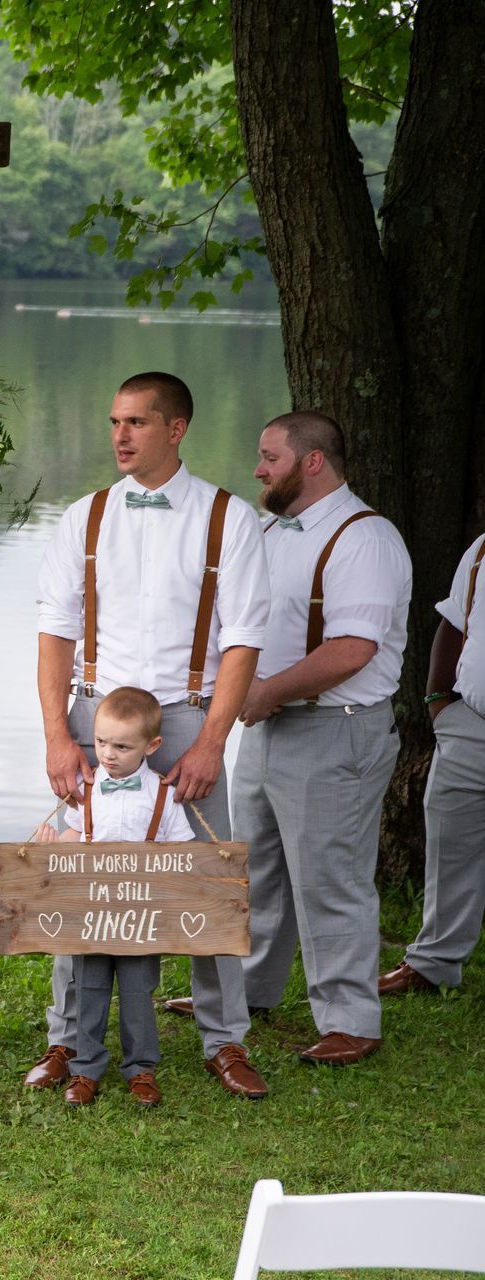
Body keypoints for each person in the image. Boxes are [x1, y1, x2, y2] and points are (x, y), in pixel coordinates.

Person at [27, 372, 272, 1100]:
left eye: (136, 421)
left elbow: (245, 640)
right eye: (114, 421)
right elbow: (56, 632)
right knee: (78, 882)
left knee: (210, 884)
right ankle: (68, 1040)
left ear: (177, 428)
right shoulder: (85, 518)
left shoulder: (229, 518)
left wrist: (209, 742)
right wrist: (55, 736)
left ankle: (224, 1041)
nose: (120, 436)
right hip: (96, 721)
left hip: (188, 714)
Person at [233, 412, 409, 1065]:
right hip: (270, 722)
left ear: (312, 462)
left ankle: (352, 1019)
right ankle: (246, 990)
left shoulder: (365, 538)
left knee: (329, 878)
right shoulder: (274, 527)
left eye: (268, 456)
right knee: (254, 867)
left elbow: (352, 650)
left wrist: (263, 692)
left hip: (335, 731)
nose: (258, 468)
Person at [32, 687, 194, 1107]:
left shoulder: (163, 794)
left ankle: (141, 1068)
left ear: (151, 746)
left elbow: (183, 853)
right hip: (92, 916)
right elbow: (76, 835)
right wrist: (52, 850)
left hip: (140, 917)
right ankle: (85, 1069)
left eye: (122, 746)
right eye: (102, 742)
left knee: (139, 994)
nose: (108, 754)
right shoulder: (85, 790)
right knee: (88, 990)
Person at [378, 524, 485, 998]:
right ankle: (433, 964)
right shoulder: (482, 547)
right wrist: (440, 701)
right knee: (450, 846)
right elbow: (454, 622)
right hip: (469, 727)